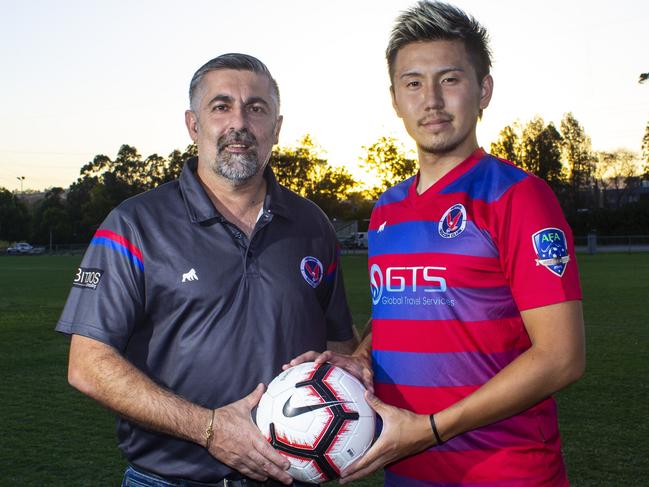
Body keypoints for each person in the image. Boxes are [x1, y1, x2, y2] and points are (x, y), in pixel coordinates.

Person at [286, 2, 585, 485]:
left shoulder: (517, 196)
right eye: (413, 83)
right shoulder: (387, 209)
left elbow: (562, 356)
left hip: (504, 471)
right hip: (405, 469)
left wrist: (428, 430)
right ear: (394, 98)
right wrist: (360, 357)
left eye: (450, 79)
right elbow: (399, 314)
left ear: (483, 90)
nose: (431, 100)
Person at [56, 53, 358, 486]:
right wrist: (209, 428)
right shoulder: (135, 224)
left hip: (294, 477)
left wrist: (342, 378)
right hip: (167, 480)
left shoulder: (312, 224)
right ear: (194, 124)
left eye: (256, 109)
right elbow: (87, 365)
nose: (239, 123)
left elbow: (339, 344)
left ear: (276, 126)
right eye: (221, 107)